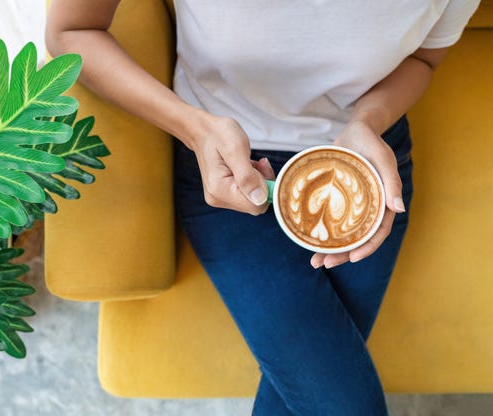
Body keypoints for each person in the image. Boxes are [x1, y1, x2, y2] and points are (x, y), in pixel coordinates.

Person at [45, 1, 480, 415]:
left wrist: (368, 120)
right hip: (226, 164)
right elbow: (71, 30)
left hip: (366, 164)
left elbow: (424, 58)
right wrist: (194, 129)